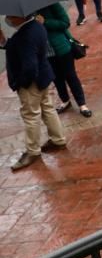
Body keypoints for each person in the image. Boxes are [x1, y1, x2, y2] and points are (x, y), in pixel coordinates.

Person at [0, 15, 68, 170]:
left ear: (20, 16)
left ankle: (32, 151)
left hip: (32, 83)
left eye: (10, 15)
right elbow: (19, 48)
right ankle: (58, 139)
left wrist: (22, 84)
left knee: (31, 116)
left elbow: (29, 65)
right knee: (48, 109)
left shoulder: (24, 35)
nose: (8, 18)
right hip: (44, 77)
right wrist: (4, 41)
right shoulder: (37, 26)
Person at [37, 3, 91, 117]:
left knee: (70, 75)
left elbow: (65, 22)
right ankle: (65, 100)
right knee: (56, 78)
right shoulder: (28, 11)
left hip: (61, 47)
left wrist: (45, 22)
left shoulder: (51, 3)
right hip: (45, 51)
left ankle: (82, 104)